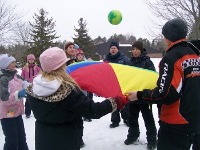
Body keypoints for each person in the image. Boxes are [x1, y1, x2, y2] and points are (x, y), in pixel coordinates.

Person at [26, 47, 126, 150]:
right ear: (61, 66)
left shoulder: (33, 88)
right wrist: (117, 101)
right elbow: (93, 111)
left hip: (43, 141)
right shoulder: (68, 91)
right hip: (67, 141)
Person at [125, 18, 200, 150]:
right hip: (195, 120)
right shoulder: (195, 54)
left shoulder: (171, 58)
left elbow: (166, 94)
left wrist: (139, 94)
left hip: (176, 123)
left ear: (167, 37)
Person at [124, 41, 157, 150]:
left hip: (144, 96)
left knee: (148, 119)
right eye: (133, 49)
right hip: (132, 95)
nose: (135, 51)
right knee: (132, 118)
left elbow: (153, 77)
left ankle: (152, 140)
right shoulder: (130, 62)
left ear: (141, 50)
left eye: (137, 49)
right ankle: (133, 136)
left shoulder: (147, 62)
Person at [0, 54, 29, 150]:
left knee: (22, 138)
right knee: (12, 139)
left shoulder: (17, 76)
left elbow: (27, 85)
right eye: (11, 62)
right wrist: (18, 94)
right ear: (5, 64)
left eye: (14, 61)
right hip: (7, 114)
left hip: (17, 112)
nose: (14, 64)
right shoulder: (3, 79)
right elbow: (4, 98)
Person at [104, 41, 130, 128]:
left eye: (115, 48)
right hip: (111, 84)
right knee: (113, 101)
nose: (113, 49)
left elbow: (131, 69)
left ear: (118, 49)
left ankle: (126, 118)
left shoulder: (124, 58)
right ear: (109, 50)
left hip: (122, 83)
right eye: (111, 48)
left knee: (123, 101)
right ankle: (115, 121)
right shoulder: (106, 59)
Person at [21, 54, 41, 118]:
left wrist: (37, 77)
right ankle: (27, 113)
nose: (31, 60)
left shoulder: (37, 67)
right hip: (27, 84)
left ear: (34, 60)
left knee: (36, 98)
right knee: (28, 99)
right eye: (30, 59)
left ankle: (37, 111)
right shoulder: (24, 68)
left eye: (32, 59)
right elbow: (22, 76)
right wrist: (23, 81)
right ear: (28, 60)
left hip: (35, 84)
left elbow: (41, 75)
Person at [76, 49, 93, 122]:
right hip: (78, 85)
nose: (80, 57)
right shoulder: (74, 63)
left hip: (87, 84)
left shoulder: (85, 63)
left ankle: (88, 115)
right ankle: (83, 114)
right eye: (78, 55)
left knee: (88, 99)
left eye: (81, 55)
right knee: (81, 100)